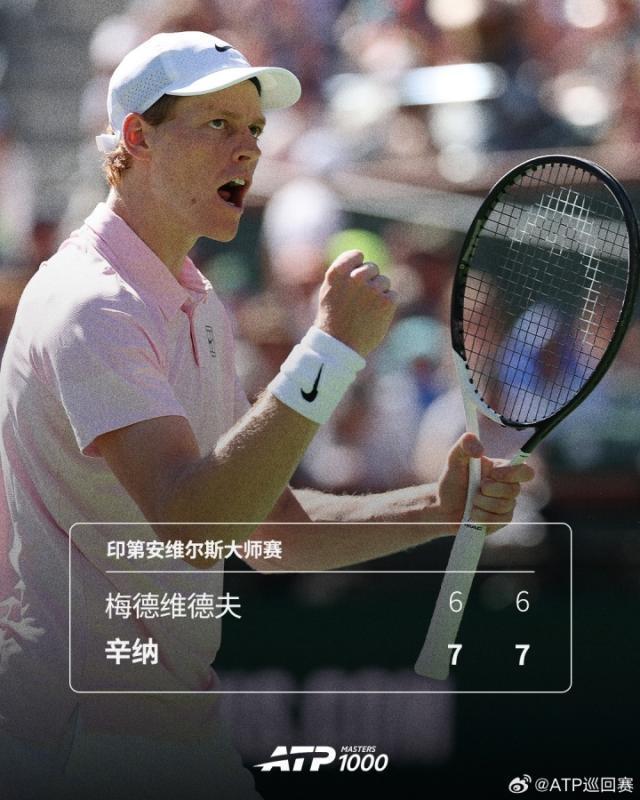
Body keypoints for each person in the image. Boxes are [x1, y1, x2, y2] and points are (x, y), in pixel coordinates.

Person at [0, 31, 534, 800]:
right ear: (136, 139)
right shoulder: (92, 306)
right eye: (217, 124)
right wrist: (329, 352)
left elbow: (266, 530)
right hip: (77, 738)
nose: (247, 148)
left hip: (170, 726)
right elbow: (195, 526)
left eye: (253, 127)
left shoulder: (194, 301)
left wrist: (437, 508)